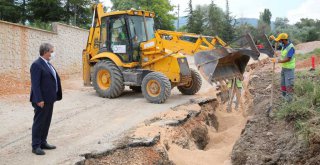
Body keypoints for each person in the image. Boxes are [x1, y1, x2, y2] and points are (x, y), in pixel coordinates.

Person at [30, 43, 62, 155]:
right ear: (45, 52)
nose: (53, 53)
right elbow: (35, 84)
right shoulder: (36, 65)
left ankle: (43, 142)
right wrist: (39, 99)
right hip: (41, 100)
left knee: (46, 121)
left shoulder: (48, 64)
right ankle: (36, 146)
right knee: (39, 122)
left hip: (49, 99)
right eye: (52, 51)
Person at [270, 33, 295, 102]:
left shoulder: (291, 47)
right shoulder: (284, 45)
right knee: (283, 84)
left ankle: (289, 101)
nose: (280, 41)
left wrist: (277, 61)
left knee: (289, 85)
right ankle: (284, 98)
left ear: (284, 40)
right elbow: (282, 53)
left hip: (289, 70)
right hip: (284, 69)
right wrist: (275, 39)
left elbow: (288, 59)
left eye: (280, 40)